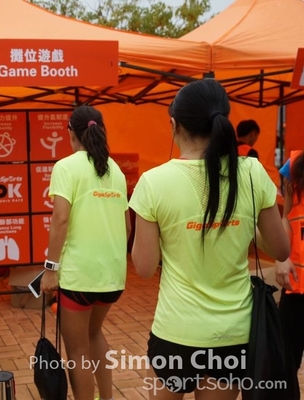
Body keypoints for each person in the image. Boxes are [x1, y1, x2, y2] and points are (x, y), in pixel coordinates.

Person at [129, 79, 290, 399]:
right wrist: (239, 225)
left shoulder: (153, 182)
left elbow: (144, 267)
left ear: (174, 125)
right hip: (233, 333)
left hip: (176, 331)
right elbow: (280, 248)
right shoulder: (252, 172)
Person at [40, 105, 130, 400]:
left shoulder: (66, 167)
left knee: (77, 350)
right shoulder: (115, 169)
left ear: (70, 132)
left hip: (79, 275)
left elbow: (60, 219)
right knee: (94, 335)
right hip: (112, 275)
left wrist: (51, 269)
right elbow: (127, 226)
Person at [277, 150, 304, 381]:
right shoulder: (295, 166)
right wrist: (281, 256)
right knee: (286, 364)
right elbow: (286, 217)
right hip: (296, 286)